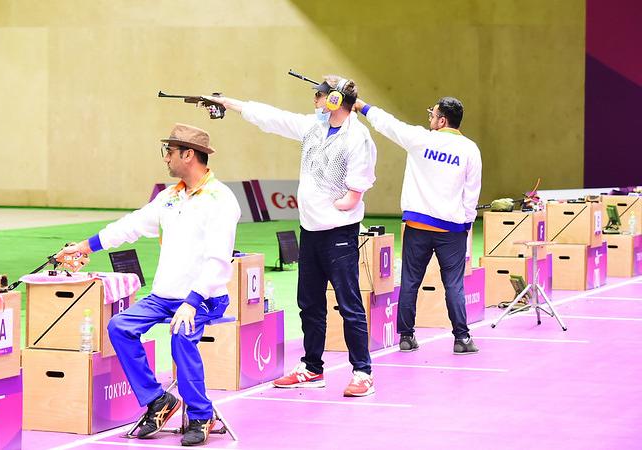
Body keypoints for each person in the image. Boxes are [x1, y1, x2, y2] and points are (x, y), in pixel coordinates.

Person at [56, 123, 241, 446]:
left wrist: (192, 301)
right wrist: (84, 246)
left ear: (188, 154)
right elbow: (131, 225)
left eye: (169, 152)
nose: (165, 158)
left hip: (205, 297)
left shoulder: (221, 200)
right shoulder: (169, 196)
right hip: (165, 295)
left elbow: (218, 261)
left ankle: (200, 414)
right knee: (120, 326)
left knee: (181, 334)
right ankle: (158, 400)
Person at [207, 75, 377, 397]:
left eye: (319, 96)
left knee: (349, 304)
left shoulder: (358, 137)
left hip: (339, 233)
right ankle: (312, 368)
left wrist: (349, 200)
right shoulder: (313, 127)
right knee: (309, 304)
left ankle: (362, 372)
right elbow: (273, 118)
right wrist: (229, 103)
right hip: (310, 232)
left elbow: (360, 181)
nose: (315, 102)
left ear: (334, 101)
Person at [353, 96, 482, 354]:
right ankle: (462, 338)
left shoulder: (419, 138)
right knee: (454, 284)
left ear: (442, 120)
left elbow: (387, 124)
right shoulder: (470, 149)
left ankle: (406, 336)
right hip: (452, 230)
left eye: (432, 114)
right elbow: (472, 193)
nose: (429, 118)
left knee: (411, 281)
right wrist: (466, 223)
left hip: (417, 226)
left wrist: (362, 106)